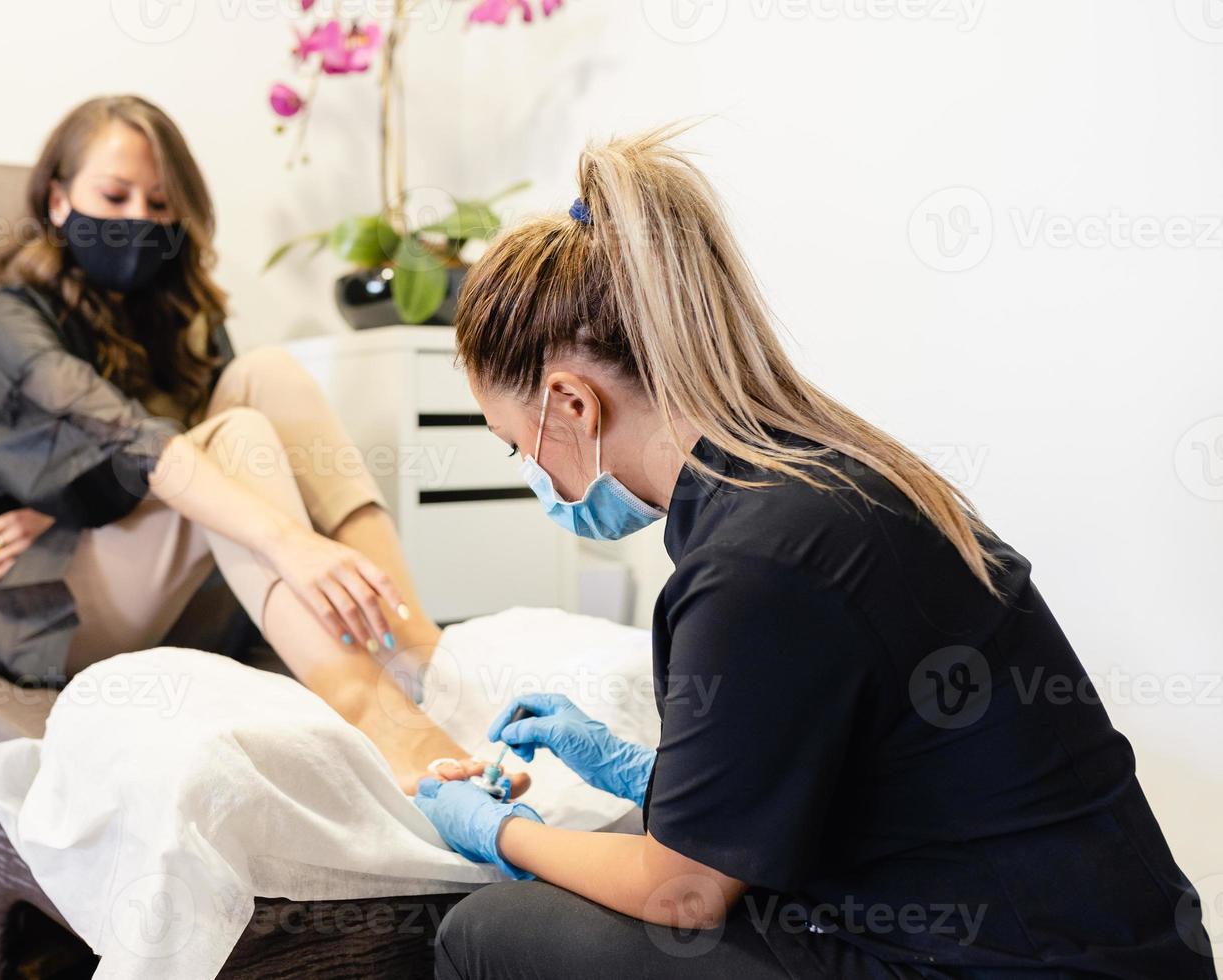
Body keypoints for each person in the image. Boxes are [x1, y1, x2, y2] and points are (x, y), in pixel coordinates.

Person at [412, 126, 1216, 978]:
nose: (529, 472)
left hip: (996, 965)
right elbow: (846, 767)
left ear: (571, 403)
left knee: (487, 931)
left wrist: (502, 830)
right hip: (1123, 951)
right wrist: (639, 772)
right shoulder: (829, 487)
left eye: (515, 444)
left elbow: (679, 893)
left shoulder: (755, 566)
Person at [0, 95, 523, 796]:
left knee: (266, 375)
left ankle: (419, 654)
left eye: (161, 204)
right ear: (60, 201)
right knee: (233, 436)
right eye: (115, 195)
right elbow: (125, 439)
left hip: (180, 583)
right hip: (52, 592)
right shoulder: (16, 316)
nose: (139, 220)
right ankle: (373, 712)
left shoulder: (184, 310)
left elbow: (202, 453)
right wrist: (289, 541)